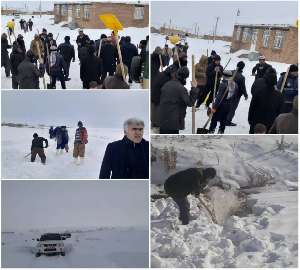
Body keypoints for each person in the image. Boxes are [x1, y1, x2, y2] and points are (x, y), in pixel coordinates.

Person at [159, 66, 199, 134]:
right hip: (173, 122)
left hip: (163, 120)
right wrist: (194, 88)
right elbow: (190, 102)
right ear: (184, 78)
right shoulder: (181, 89)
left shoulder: (166, 84)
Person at [248, 67, 283, 133]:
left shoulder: (258, 92)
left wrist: (250, 119)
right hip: (270, 123)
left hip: (256, 121)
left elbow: (252, 107)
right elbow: (279, 112)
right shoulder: (279, 95)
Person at [226, 61, 248, 126]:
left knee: (225, 105)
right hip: (236, 95)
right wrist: (245, 95)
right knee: (232, 108)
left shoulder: (230, 72)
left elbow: (224, 79)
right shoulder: (241, 77)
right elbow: (243, 87)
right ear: (243, 68)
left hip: (227, 92)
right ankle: (227, 121)